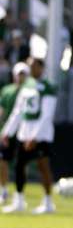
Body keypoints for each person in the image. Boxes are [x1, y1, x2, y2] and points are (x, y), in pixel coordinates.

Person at [0, 58, 57, 214]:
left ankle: (48, 202)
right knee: (19, 166)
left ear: (41, 67)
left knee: (43, 166)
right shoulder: (26, 86)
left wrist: (35, 136)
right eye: (30, 66)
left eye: (34, 66)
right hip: (24, 132)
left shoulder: (48, 87)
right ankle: (19, 200)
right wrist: (7, 132)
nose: (31, 69)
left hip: (41, 135)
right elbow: (18, 112)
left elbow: (47, 114)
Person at [0, 62, 28, 209]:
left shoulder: (30, 90)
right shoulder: (7, 90)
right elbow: (3, 110)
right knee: (2, 161)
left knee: (21, 165)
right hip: (8, 131)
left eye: (23, 74)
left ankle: (20, 194)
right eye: (19, 74)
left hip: (24, 132)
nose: (20, 77)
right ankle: (3, 191)